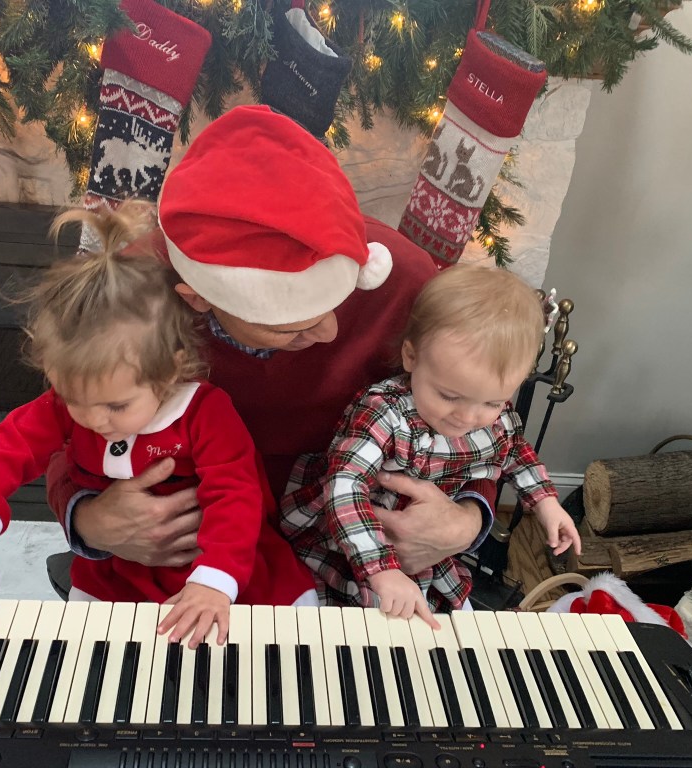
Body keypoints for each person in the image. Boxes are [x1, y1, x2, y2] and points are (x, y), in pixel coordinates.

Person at [47, 105, 500, 587]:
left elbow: (477, 400)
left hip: (349, 538)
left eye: (339, 303)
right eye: (291, 328)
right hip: (193, 549)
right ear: (197, 298)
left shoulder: (402, 277)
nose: (330, 333)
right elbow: (61, 422)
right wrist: (90, 520)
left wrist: (467, 519)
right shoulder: (131, 291)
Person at [0, 204, 318, 646]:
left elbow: (236, 496)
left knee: (269, 646)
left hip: (220, 559)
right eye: (74, 400)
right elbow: (6, 449)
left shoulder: (204, 412)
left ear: (169, 372)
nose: (93, 420)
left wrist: (214, 580)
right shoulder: (73, 405)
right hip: (123, 572)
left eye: (117, 405)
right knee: (97, 657)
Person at [280, 264, 583, 624]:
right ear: (411, 356)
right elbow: (345, 486)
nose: (467, 417)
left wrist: (546, 503)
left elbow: (516, 451)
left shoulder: (495, 416)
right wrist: (382, 570)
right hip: (351, 540)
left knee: (448, 624)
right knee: (341, 623)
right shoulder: (384, 411)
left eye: (492, 401)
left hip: (426, 552)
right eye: (449, 396)